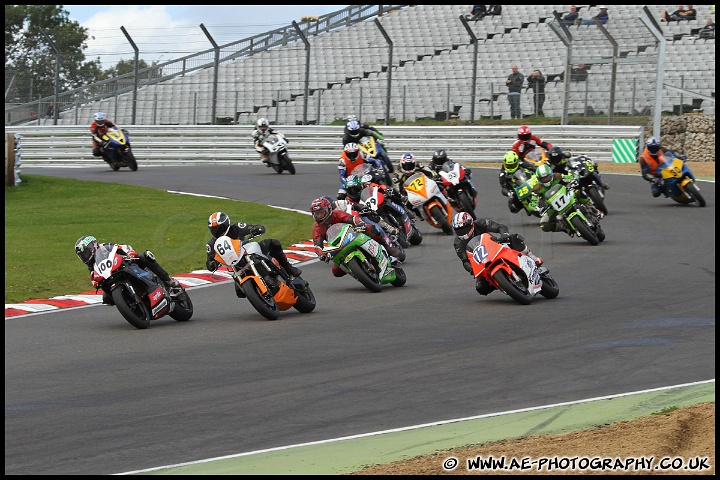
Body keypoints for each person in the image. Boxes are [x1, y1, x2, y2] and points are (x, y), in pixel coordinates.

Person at [451, 212, 543, 296]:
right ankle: (503, 283)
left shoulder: (480, 223)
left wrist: (504, 235)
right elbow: (464, 260)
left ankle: (531, 256)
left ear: (471, 224)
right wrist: (471, 269)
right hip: (482, 261)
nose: (462, 232)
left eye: (464, 228)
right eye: (459, 230)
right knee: (481, 288)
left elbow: (500, 227)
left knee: (513, 238)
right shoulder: (458, 242)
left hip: (495, 247)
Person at [75, 235, 181, 305]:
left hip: (126, 265)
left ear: (93, 247)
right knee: (106, 299)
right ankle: (131, 303)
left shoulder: (106, 246)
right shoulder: (91, 266)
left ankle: (168, 281)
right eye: (82, 256)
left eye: (85, 253)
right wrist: (96, 282)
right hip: (112, 278)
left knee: (145, 256)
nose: (84, 257)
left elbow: (124, 247)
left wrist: (129, 253)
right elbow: (94, 278)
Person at [310, 197, 400, 277]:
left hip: (352, 234)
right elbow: (317, 245)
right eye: (317, 214)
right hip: (338, 246)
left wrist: (359, 223)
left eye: (321, 212)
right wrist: (321, 254)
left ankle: (387, 247)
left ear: (328, 209)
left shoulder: (336, 213)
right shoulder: (316, 228)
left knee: (369, 228)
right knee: (336, 272)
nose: (319, 216)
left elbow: (351, 218)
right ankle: (357, 272)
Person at [205, 212, 302, 284]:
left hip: (249, 251)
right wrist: (212, 264)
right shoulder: (211, 244)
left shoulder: (236, 227)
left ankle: (288, 267)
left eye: (220, 228)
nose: (217, 232)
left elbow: (250, 228)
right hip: (236, 264)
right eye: (214, 230)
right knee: (239, 291)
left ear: (226, 224)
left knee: (273, 243)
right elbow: (209, 261)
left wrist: (255, 229)